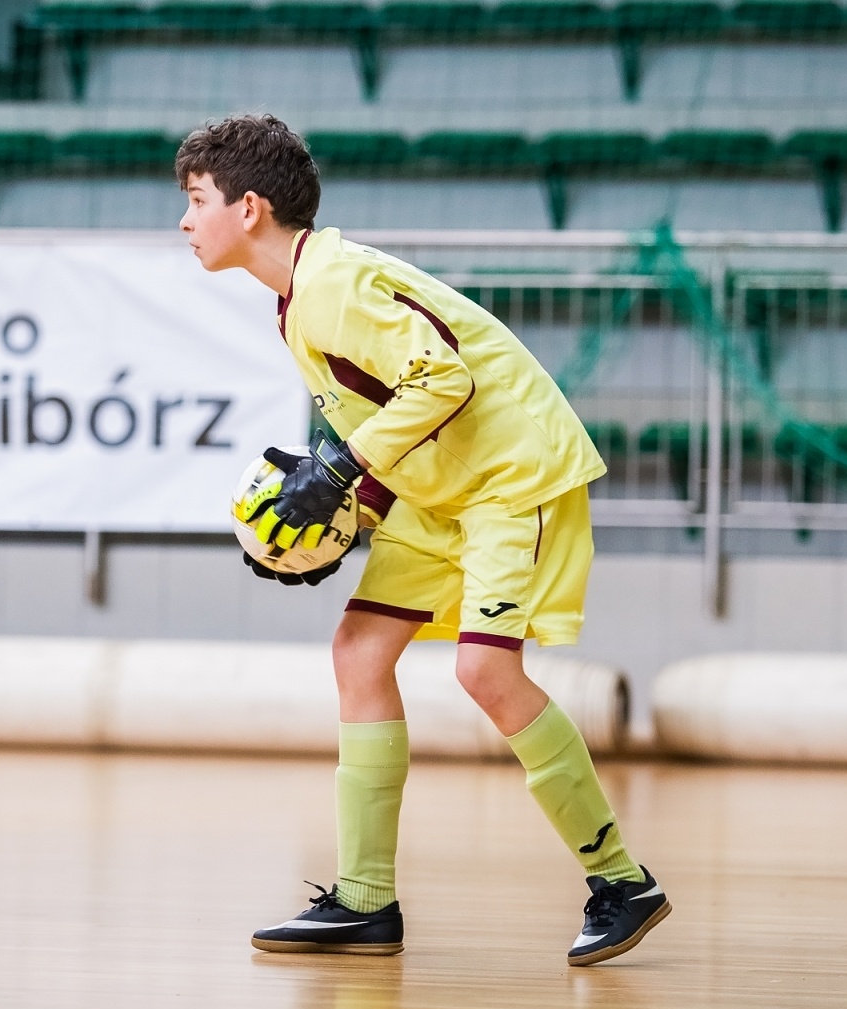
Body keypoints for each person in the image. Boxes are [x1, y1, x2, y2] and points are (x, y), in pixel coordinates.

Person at [176, 114, 669, 966]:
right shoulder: (299, 299)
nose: (185, 221)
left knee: (485, 671)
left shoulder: (334, 284)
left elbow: (444, 376)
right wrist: (348, 511)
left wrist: (337, 473)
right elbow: (388, 416)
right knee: (360, 653)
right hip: (441, 494)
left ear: (248, 208)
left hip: (511, 479)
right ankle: (365, 901)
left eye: (195, 200)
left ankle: (622, 881)